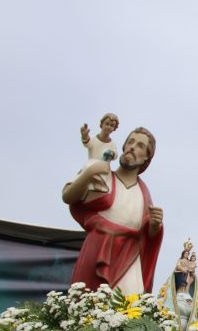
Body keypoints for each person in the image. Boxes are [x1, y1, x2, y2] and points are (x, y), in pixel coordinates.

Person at [63, 126, 164, 295]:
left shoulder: (144, 194)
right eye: (130, 142)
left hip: (129, 257)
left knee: (130, 307)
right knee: (88, 304)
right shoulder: (103, 176)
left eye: (140, 145)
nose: (132, 147)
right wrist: (88, 173)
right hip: (98, 249)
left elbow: (147, 234)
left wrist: (155, 225)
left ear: (147, 157)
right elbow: (68, 197)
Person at [79, 112, 119, 193]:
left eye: (112, 126)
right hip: (92, 165)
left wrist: (112, 153)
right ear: (102, 124)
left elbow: (116, 154)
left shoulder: (112, 144)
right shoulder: (94, 139)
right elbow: (88, 144)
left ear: (114, 129)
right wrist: (85, 136)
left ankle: (99, 186)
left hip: (103, 168)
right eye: (107, 124)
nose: (108, 127)